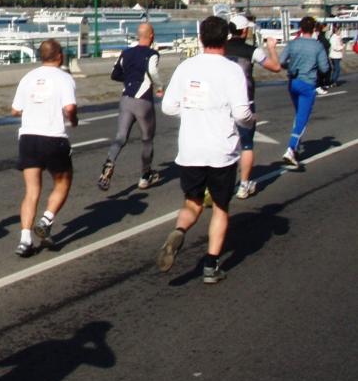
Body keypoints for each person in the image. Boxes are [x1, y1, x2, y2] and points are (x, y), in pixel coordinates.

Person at [156, 16, 254, 283]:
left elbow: (168, 107)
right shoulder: (231, 70)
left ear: (200, 38)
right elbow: (241, 112)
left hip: (190, 149)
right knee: (221, 208)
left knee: (193, 203)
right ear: (225, 39)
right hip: (221, 150)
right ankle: (211, 266)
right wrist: (249, 121)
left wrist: (190, 111)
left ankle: (179, 229)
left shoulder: (186, 67)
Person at [11, 39, 78, 257]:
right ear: (59, 57)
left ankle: (24, 240)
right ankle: (46, 220)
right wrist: (74, 120)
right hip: (52, 138)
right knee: (63, 181)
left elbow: (15, 110)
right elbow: (69, 107)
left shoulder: (28, 77)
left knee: (31, 192)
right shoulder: (64, 78)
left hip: (28, 138)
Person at [98, 22, 164, 192]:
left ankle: (110, 162)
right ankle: (145, 176)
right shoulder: (152, 54)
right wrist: (160, 86)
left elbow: (115, 74)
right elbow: (152, 72)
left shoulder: (126, 53)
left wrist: (129, 80)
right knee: (147, 139)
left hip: (126, 98)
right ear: (151, 35)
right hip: (143, 100)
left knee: (120, 137)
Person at [223, 15, 282, 199]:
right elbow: (276, 67)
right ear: (245, 31)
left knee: (224, 144)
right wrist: (272, 49)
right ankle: (244, 185)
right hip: (245, 102)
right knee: (246, 145)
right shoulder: (252, 51)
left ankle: (219, 185)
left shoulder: (221, 49)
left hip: (223, 103)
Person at [278, 16, 330, 168]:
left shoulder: (292, 44)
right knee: (302, 118)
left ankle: (296, 149)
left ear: (300, 28)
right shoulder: (318, 46)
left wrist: (291, 68)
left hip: (293, 82)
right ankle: (291, 148)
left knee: (298, 114)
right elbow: (325, 68)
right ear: (314, 29)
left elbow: (281, 61)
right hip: (308, 84)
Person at [316, 22, 331, 94]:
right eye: (326, 27)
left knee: (326, 69)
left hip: (325, 54)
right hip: (323, 55)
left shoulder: (322, 35)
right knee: (324, 69)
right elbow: (324, 45)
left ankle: (324, 83)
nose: (327, 28)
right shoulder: (320, 36)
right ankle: (323, 83)